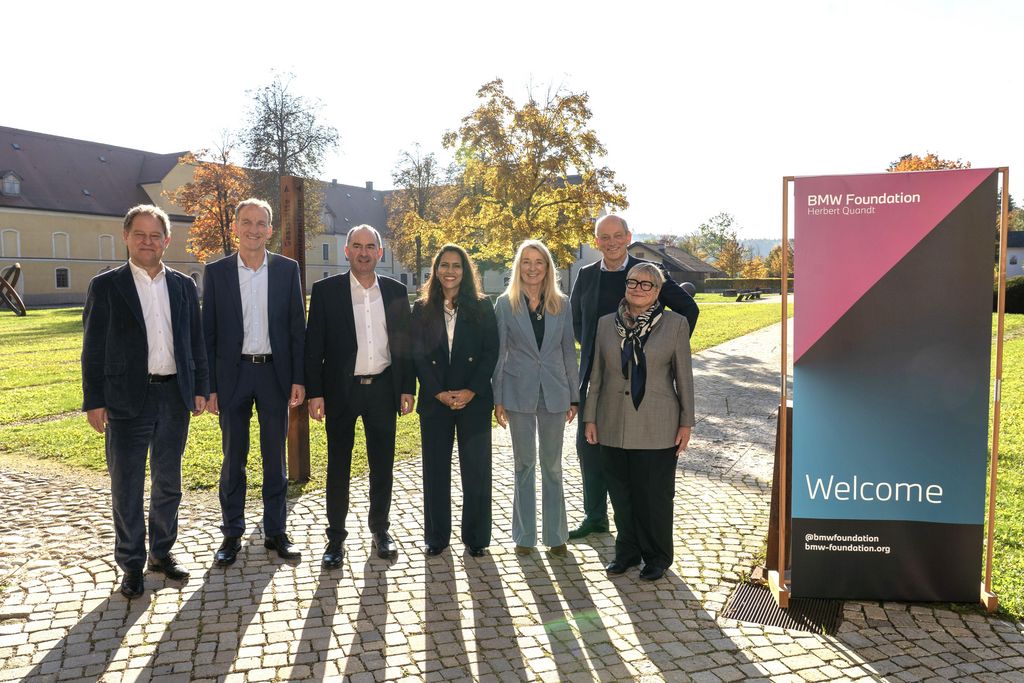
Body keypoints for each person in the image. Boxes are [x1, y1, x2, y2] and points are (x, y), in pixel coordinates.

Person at [81, 204, 208, 599]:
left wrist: (200, 386)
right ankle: (132, 563)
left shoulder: (183, 286)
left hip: (174, 396)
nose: (148, 242)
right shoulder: (106, 286)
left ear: (166, 240)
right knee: (127, 485)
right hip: (125, 400)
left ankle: (161, 553)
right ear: (126, 237)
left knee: (168, 482)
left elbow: (195, 341)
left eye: (155, 235)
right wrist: (94, 400)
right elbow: (92, 348)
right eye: (140, 234)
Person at [568, 214, 698, 540]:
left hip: (640, 380)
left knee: (632, 457)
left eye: (617, 235)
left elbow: (688, 310)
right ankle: (595, 516)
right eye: (604, 237)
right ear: (596, 241)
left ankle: (634, 528)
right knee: (590, 448)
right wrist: (598, 349)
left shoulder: (647, 272)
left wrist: (660, 349)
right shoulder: (586, 275)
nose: (611, 242)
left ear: (628, 237)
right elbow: (575, 320)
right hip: (596, 376)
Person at [202, 198, 306, 567]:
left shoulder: (286, 270)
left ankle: (276, 530)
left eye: (261, 223)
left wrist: (298, 378)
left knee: (274, 457)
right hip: (233, 376)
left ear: (270, 230)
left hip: (274, 374)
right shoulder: (216, 272)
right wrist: (210, 386)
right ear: (235, 227)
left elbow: (296, 327)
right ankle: (232, 532)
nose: (253, 229)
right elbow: (208, 332)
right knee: (234, 457)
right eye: (246, 222)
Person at [305, 224, 415, 568]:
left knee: (382, 465)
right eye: (357, 246)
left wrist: (407, 387)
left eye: (370, 246)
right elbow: (313, 346)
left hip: (383, 388)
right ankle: (336, 537)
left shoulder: (396, 291)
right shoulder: (326, 291)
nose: (363, 252)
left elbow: (405, 345)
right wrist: (315, 392)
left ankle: (380, 530)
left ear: (379, 252)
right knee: (338, 465)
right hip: (341, 390)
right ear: (347, 251)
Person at [582, 262, 694, 581]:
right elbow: (596, 376)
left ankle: (657, 556)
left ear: (658, 291)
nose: (638, 288)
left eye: (647, 284)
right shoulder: (606, 324)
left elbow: (684, 377)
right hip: (611, 422)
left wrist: (686, 422)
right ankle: (627, 552)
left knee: (654, 495)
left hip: (658, 424)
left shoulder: (675, 324)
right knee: (620, 494)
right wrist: (590, 418)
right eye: (633, 282)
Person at [493, 240, 579, 556]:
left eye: (538, 262)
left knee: (552, 465)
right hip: (518, 393)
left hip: (555, 393)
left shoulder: (562, 304)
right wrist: (498, 398)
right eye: (526, 262)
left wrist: (574, 396)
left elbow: (568, 352)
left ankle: (556, 535)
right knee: (524, 463)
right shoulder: (505, 304)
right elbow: (499, 353)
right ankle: (524, 536)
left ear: (547, 267)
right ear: (519, 267)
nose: (532, 268)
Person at [410, 245, 498, 557]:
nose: (450, 271)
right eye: (444, 265)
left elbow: (491, 352)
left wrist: (471, 390)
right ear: (435, 270)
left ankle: (476, 538)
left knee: (476, 471)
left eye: (456, 266)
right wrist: (437, 391)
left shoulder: (482, 306)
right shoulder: (422, 308)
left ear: (466, 271)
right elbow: (417, 354)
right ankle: (436, 537)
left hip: (474, 400)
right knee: (435, 470)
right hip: (436, 401)